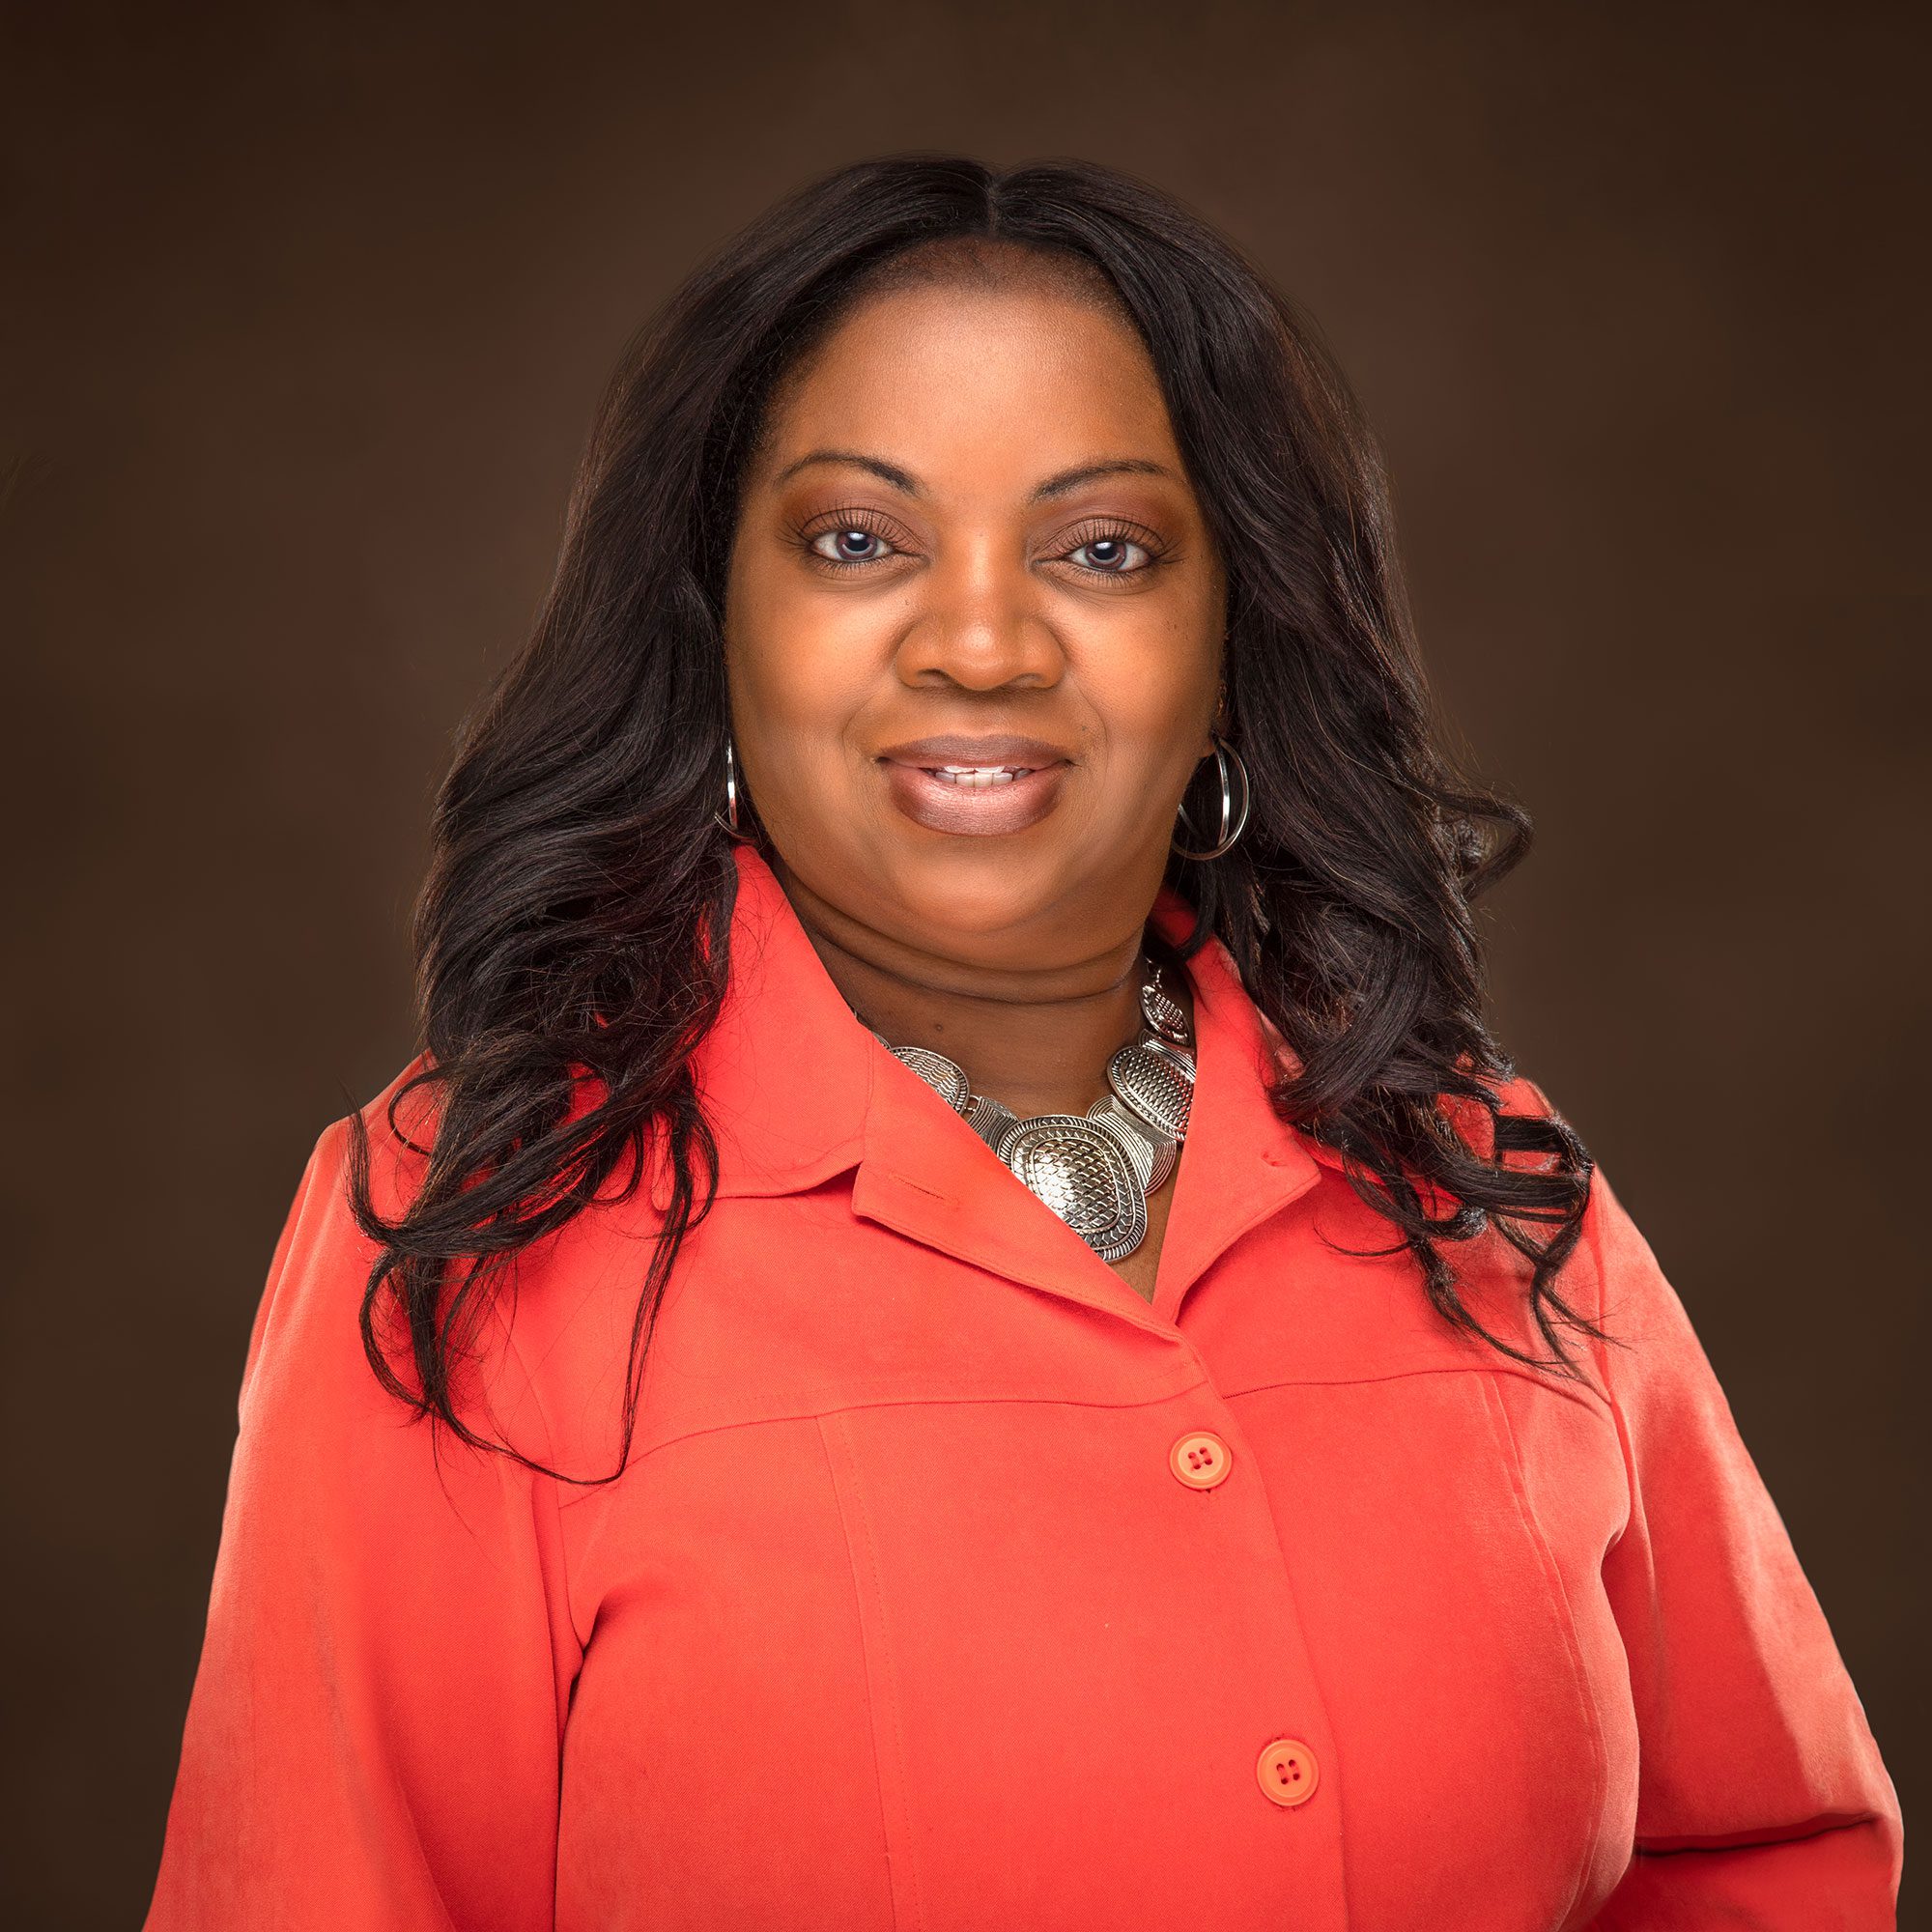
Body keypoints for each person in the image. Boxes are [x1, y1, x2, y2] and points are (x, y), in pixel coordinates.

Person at [143, 154, 1902, 1930]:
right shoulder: (470, 1227)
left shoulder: (1489, 1189)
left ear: (1228, 641)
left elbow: (1769, 1863)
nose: (980, 643)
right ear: (716, 626)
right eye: (856, 540)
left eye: (1103, 550)